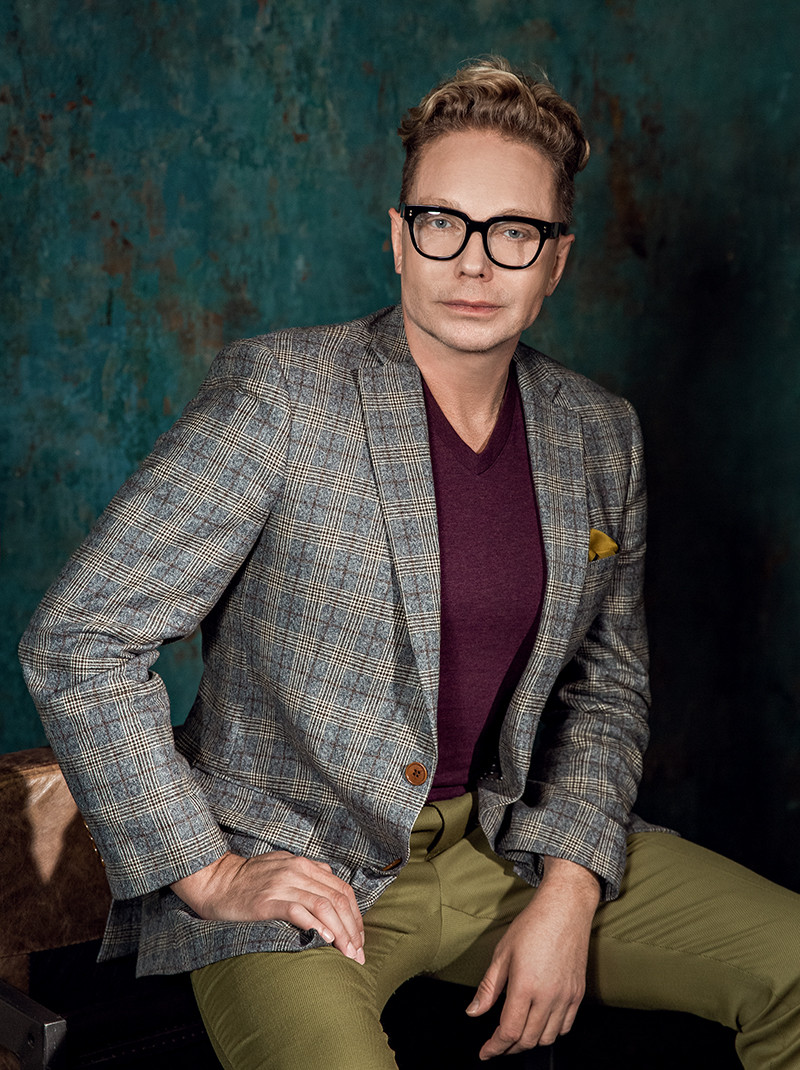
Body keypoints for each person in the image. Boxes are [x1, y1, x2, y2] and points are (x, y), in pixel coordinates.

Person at [19, 57, 800, 1070]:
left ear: (556, 260)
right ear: (398, 237)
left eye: (512, 232)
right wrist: (209, 872)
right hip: (300, 865)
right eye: (443, 223)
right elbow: (80, 637)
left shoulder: (599, 433)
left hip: (509, 847)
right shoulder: (282, 395)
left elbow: (604, 687)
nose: (473, 264)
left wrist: (570, 887)